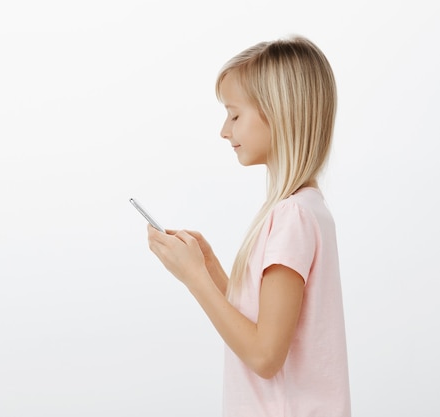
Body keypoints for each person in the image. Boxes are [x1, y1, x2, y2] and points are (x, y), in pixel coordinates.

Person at [147, 36, 351, 417]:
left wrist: (195, 280)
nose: (225, 131)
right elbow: (265, 329)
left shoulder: (292, 218)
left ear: (280, 114)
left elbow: (264, 356)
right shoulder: (306, 210)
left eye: (235, 115)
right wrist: (211, 271)